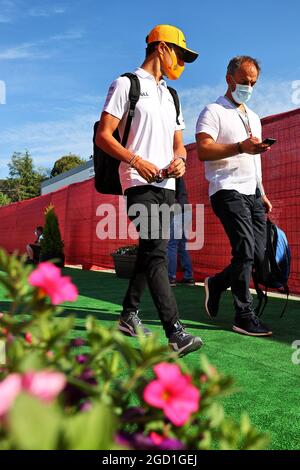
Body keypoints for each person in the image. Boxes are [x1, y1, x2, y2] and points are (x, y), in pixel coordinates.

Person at [96, 24, 203, 356]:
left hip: (168, 184)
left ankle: (128, 314)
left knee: (150, 250)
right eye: (180, 54)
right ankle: (175, 332)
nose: (181, 61)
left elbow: (178, 145)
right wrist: (135, 160)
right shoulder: (125, 84)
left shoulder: (171, 95)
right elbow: (104, 134)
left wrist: (181, 161)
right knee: (157, 252)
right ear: (161, 48)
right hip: (137, 181)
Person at [196, 56, 273, 337]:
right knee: (243, 249)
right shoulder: (212, 111)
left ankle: (216, 284)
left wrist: (262, 192)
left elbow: (255, 161)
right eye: (244, 81)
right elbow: (203, 150)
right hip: (226, 189)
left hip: (252, 193)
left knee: (257, 253)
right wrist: (240, 146)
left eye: (253, 83)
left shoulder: (254, 117)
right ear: (229, 78)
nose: (248, 87)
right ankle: (243, 315)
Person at [168, 177, 195, 287]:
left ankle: (170, 278)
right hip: (184, 208)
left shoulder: (172, 172)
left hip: (177, 209)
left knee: (171, 244)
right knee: (181, 245)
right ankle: (188, 277)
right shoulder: (178, 172)